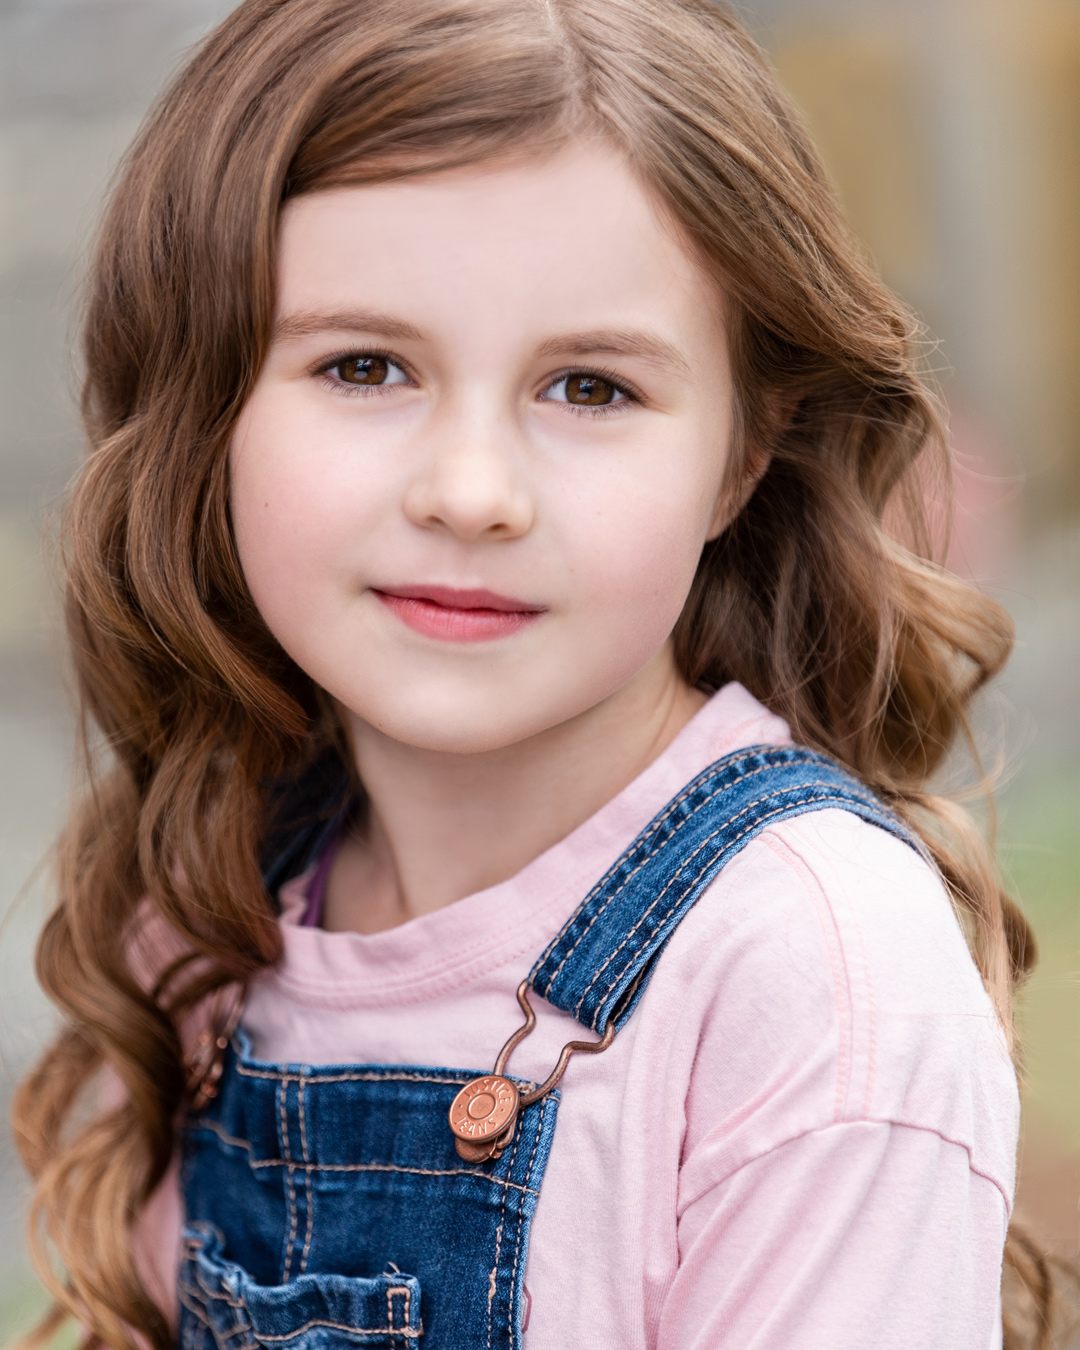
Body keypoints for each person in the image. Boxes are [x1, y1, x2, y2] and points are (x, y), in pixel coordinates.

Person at [12, 0, 1037, 1346]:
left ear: (740, 454)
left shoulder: (804, 966)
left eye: (592, 388)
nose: (474, 491)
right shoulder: (223, 891)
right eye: (366, 365)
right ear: (208, 409)